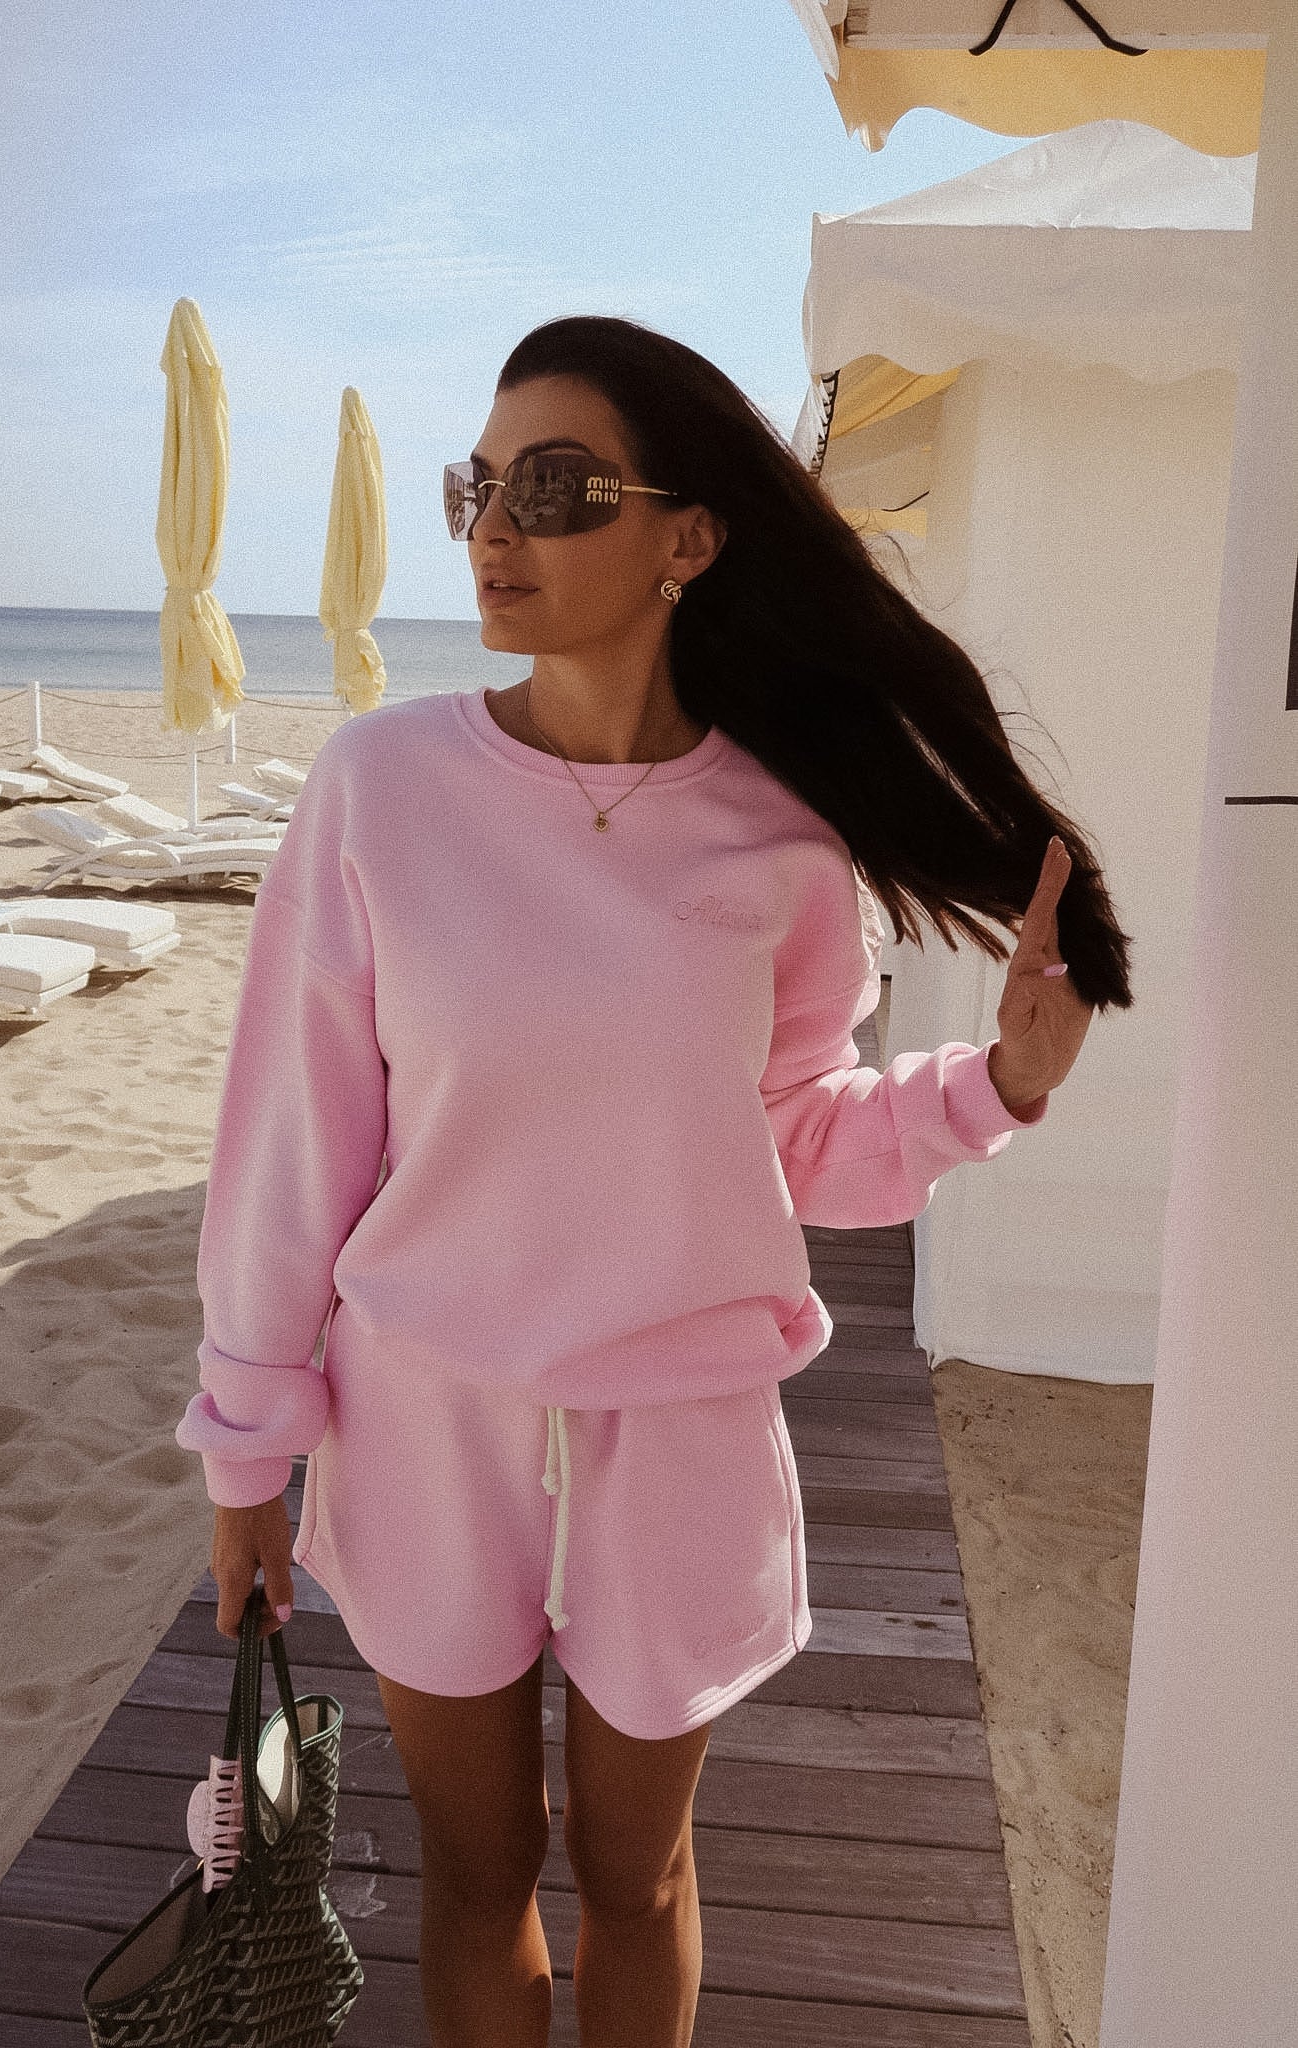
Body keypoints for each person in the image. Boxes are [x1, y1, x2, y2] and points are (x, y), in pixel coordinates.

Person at [176, 313, 1127, 2048]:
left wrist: (996, 1087)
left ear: (687, 536)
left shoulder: (780, 837)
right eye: (476, 487)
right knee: (477, 1875)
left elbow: (801, 1139)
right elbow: (289, 1142)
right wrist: (247, 1446)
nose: (491, 529)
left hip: (681, 1429)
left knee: (641, 1877)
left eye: (551, 489)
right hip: (423, 1415)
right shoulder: (381, 788)